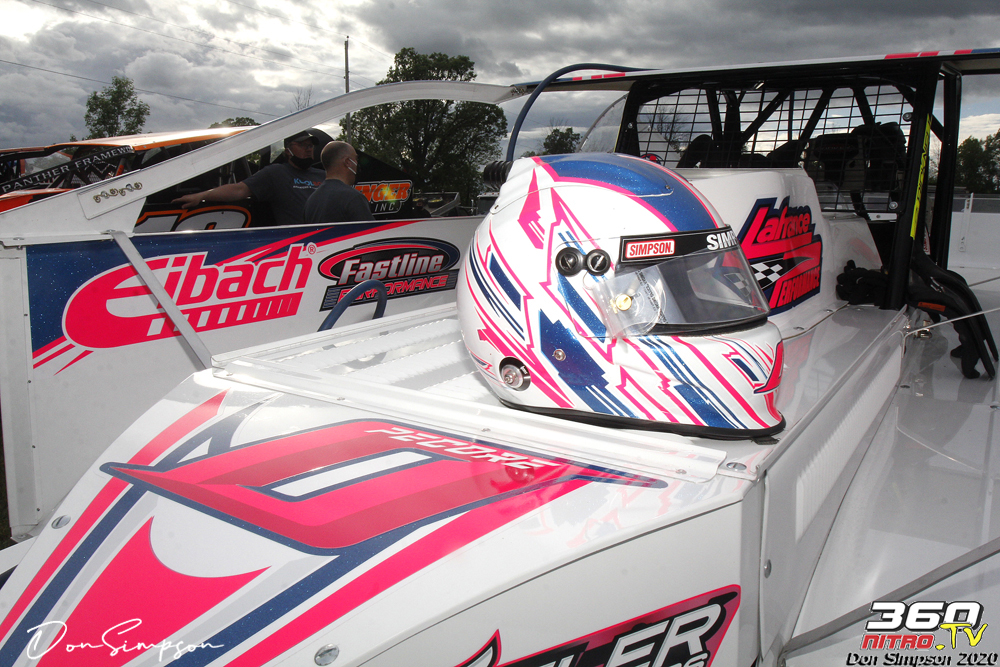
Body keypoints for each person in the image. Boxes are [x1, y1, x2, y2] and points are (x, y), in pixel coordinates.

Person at [173, 131, 325, 226]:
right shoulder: (276, 173)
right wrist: (202, 195)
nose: (308, 149)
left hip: (330, 236)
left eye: (310, 146)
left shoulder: (324, 174)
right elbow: (239, 189)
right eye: (302, 145)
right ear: (288, 151)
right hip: (298, 241)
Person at [304, 141, 375, 224]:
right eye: (356, 159)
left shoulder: (311, 201)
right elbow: (370, 231)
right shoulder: (353, 198)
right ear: (347, 162)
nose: (357, 163)